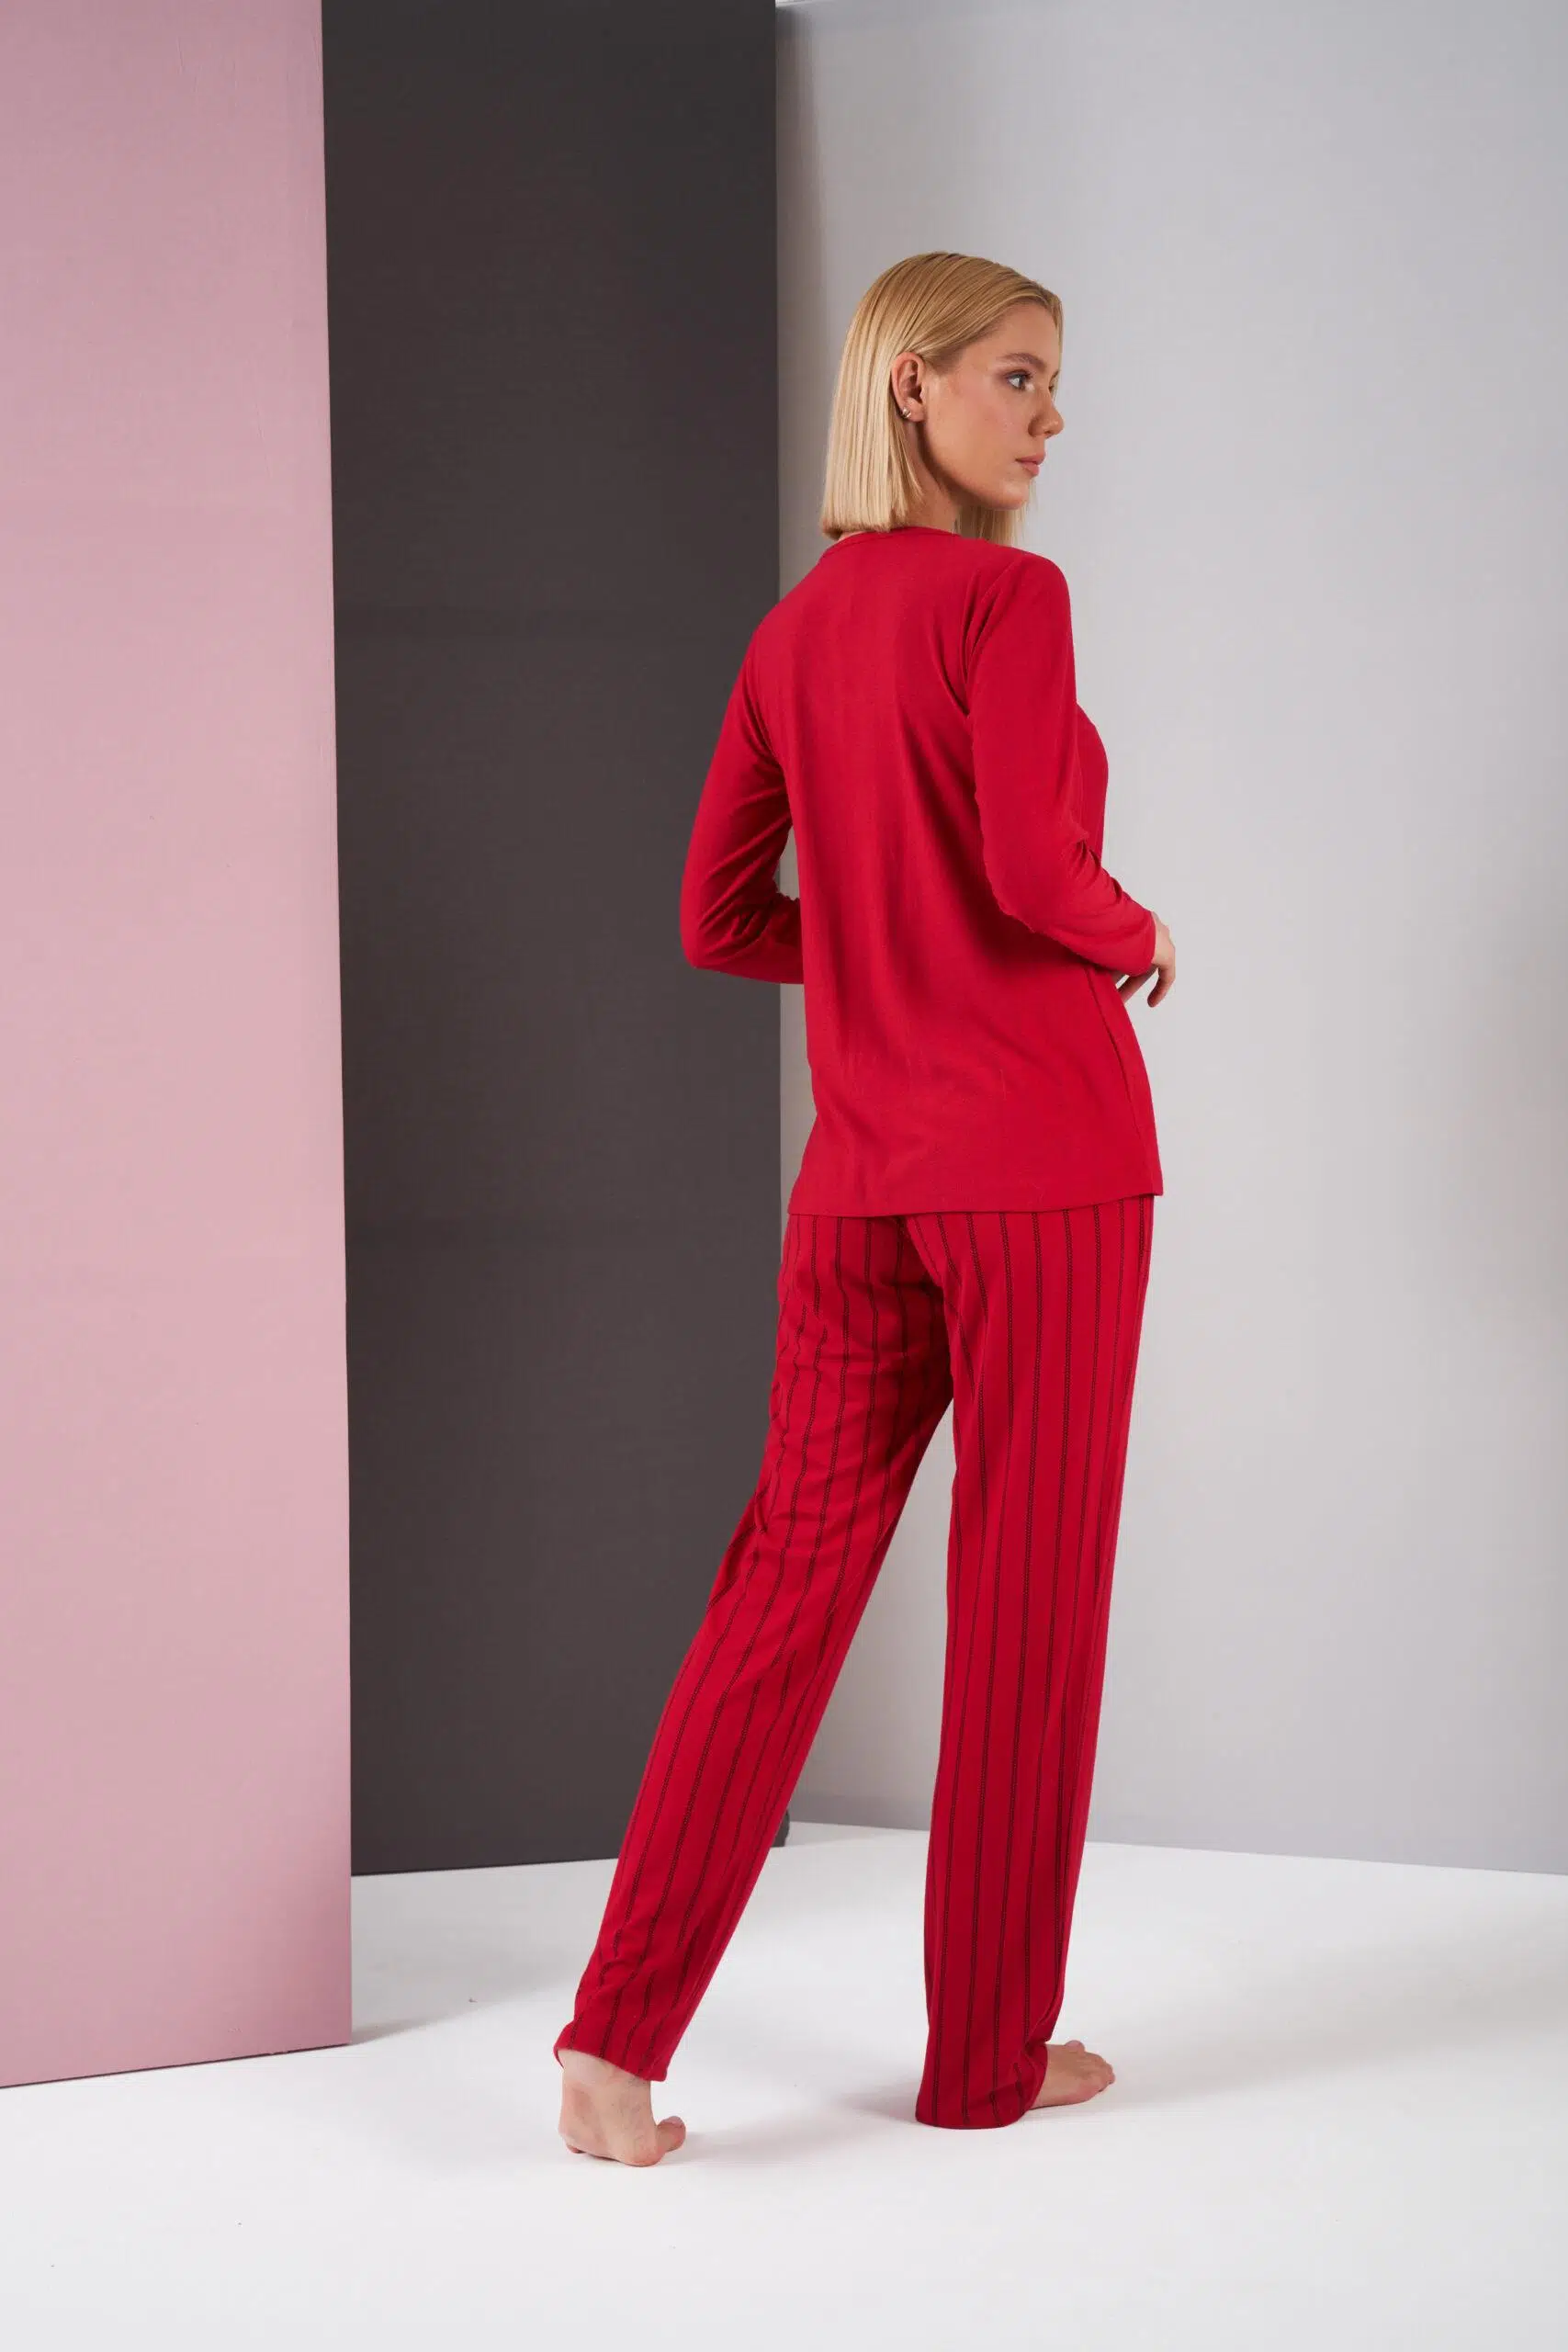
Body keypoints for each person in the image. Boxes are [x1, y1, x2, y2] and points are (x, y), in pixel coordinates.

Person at [554, 249, 1177, 2164]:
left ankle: (610, 2047)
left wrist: (875, 953)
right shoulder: (1007, 597)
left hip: (856, 1191)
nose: (1048, 416)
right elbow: (1030, 867)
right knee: (1026, 1603)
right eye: (1016, 376)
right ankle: (983, 2056)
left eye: (1051, 381)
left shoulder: (791, 631)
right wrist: (1133, 926)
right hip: (1045, 1172)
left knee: (779, 1586)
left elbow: (714, 916)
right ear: (911, 385)